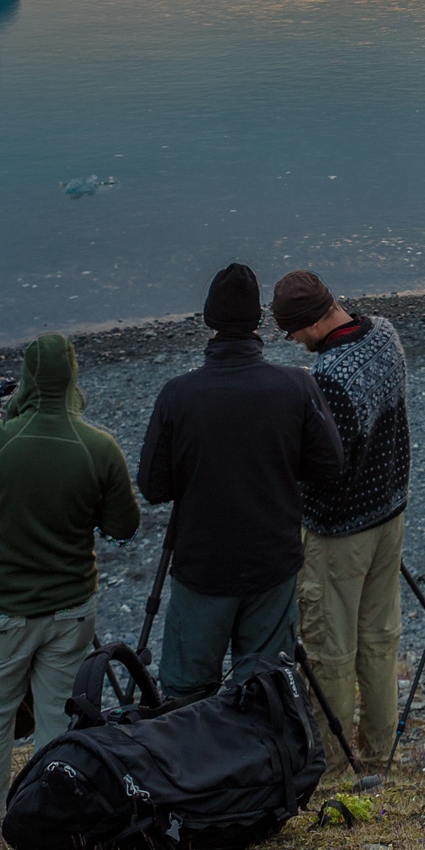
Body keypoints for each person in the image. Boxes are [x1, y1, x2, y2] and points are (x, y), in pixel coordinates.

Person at [0, 331, 139, 834]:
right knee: (59, 719)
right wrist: (87, 511)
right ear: (73, 379)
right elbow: (124, 529)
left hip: (3, 612)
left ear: (28, 381)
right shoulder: (98, 446)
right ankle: (55, 821)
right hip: (71, 608)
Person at [137, 262, 344, 701]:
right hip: (272, 561)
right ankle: (263, 764)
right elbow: (329, 465)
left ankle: (194, 764)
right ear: (259, 323)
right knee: (265, 687)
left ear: (210, 321)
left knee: (186, 691)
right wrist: (278, 464)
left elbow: (153, 488)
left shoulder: (178, 395)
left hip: (203, 567)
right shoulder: (295, 387)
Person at [271, 267, 411, 770]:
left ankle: (330, 768)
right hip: (389, 513)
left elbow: (324, 468)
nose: (290, 340)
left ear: (311, 322)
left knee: (331, 651)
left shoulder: (328, 379)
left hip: (338, 531)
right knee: (379, 640)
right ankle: (378, 760)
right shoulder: (387, 334)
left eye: (290, 331)